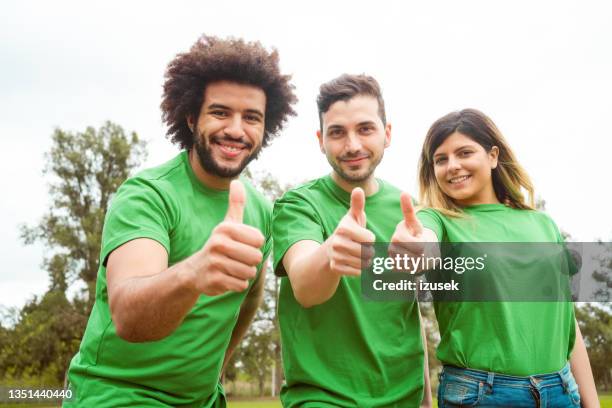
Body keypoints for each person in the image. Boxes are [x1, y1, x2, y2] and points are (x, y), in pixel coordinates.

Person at [64, 35, 297, 407]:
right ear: (191, 117)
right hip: (117, 396)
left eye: (251, 117)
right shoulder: (147, 195)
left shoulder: (259, 208)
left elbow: (250, 293)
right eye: (220, 112)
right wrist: (194, 273)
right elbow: (128, 316)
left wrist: (216, 368)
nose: (237, 129)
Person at [390, 108, 599, 407]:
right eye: (441, 159)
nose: (452, 166)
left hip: (562, 391)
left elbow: (566, 321)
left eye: (464, 152)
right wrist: (414, 247)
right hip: (481, 395)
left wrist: (590, 403)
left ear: (493, 156)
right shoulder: (438, 220)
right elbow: (423, 242)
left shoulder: (542, 225)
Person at [272, 74, 431, 407]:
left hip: (406, 398)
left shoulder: (409, 211)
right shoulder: (298, 205)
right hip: (324, 398)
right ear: (321, 140)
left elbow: (409, 313)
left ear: (387, 134)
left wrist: (426, 399)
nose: (353, 145)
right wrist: (332, 252)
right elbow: (305, 285)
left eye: (365, 129)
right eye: (337, 133)